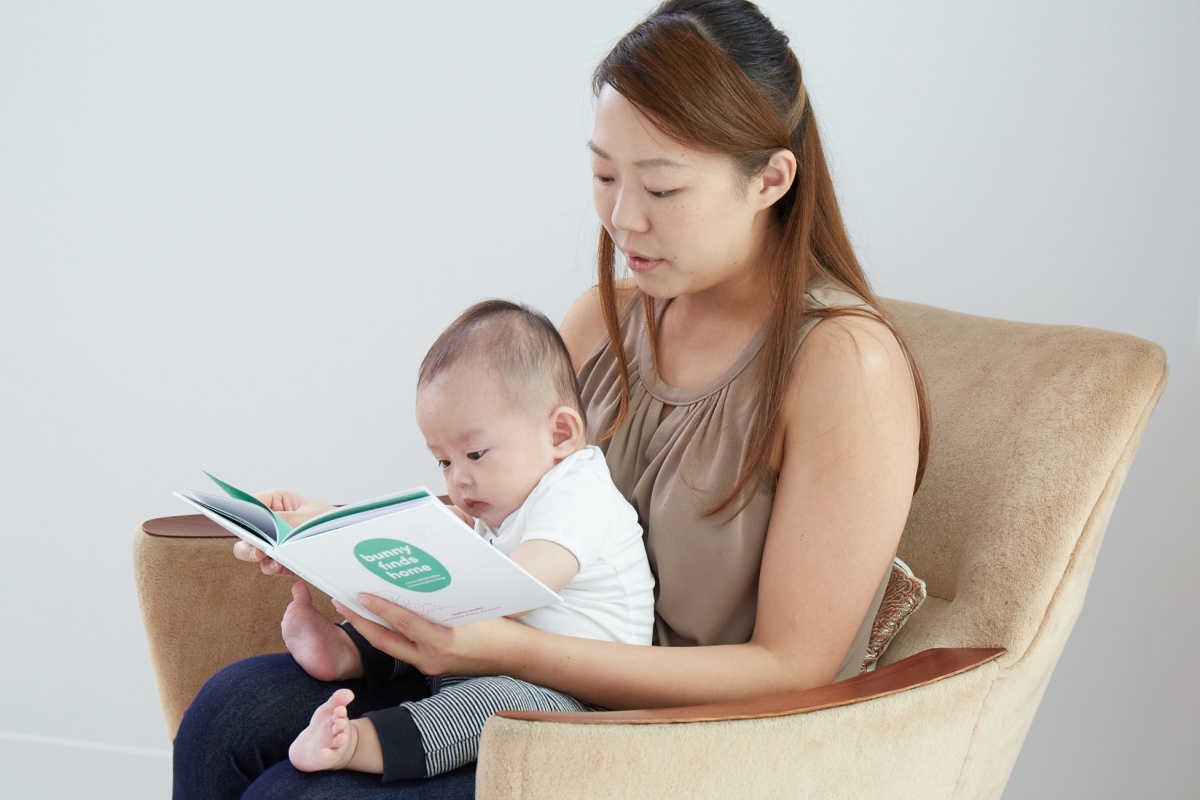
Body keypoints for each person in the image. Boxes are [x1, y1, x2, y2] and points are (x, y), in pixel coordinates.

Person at [172, 1, 928, 797]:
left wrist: (507, 650)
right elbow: (508, 509)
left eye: (662, 187)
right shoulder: (606, 318)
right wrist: (328, 532)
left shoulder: (846, 366)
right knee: (228, 714)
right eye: (604, 175)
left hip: (681, 740)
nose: (622, 218)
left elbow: (792, 668)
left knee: (299, 793)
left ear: (770, 179)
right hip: (515, 676)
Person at [282, 298, 654, 782]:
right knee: (422, 630)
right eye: (444, 461)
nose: (457, 478)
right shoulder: (509, 494)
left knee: (490, 707)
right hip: (497, 659)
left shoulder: (581, 495)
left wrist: (429, 567)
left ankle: (360, 743)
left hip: (584, 702)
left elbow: (514, 591)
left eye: (474, 454)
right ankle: (345, 651)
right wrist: (330, 525)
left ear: (560, 433)